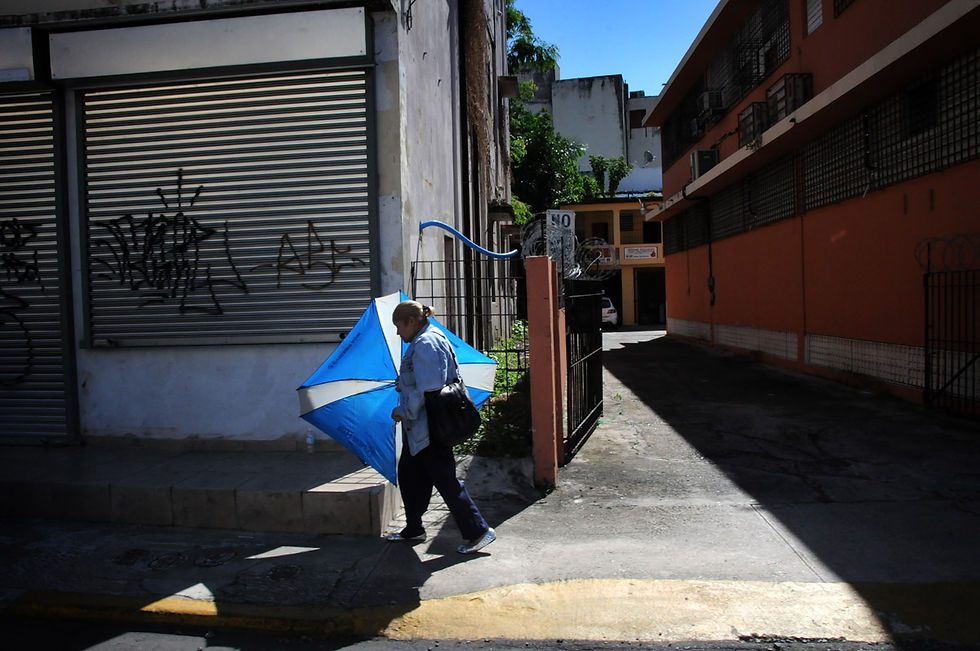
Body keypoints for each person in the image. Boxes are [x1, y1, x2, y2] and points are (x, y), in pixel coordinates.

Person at [388, 299, 496, 554]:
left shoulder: (426, 343)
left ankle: (478, 531)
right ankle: (414, 528)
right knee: (410, 477)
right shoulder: (424, 338)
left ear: (411, 322)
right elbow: (422, 380)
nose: (397, 332)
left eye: (399, 326)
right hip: (420, 429)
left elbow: (430, 390)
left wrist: (401, 410)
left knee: (446, 481)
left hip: (429, 429)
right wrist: (403, 383)